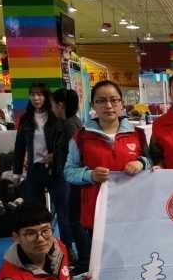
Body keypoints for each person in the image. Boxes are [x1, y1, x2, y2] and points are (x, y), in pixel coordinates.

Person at [64, 80, 149, 268]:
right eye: (101, 101)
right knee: (104, 264)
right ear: (93, 105)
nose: (108, 105)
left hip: (132, 211)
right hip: (97, 213)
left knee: (134, 260)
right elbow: (69, 171)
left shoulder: (137, 135)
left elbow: (151, 164)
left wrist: (141, 163)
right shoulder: (81, 137)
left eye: (113, 100)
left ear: (121, 103)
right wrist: (90, 175)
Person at [12, 82, 72, 253]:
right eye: (32, 94)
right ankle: (39, 251)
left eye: (40, 94)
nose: (36, 98)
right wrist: (17, 172)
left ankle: (68, 251)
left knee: (64, 213)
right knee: (33, 215)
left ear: (46, 97)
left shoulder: (56, 118)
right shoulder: (26, 119)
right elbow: (19, 146)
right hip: (34, 170)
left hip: (56, 170)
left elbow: (66, 146)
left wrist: (56, 157)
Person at [52, 88, 85, 263]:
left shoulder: (69, 126)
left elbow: (71, 154)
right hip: (71, 178)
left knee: (71, 219)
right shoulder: (74, 123)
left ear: (60, 105)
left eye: (53, 104)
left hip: (69, 179)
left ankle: (77, 257)